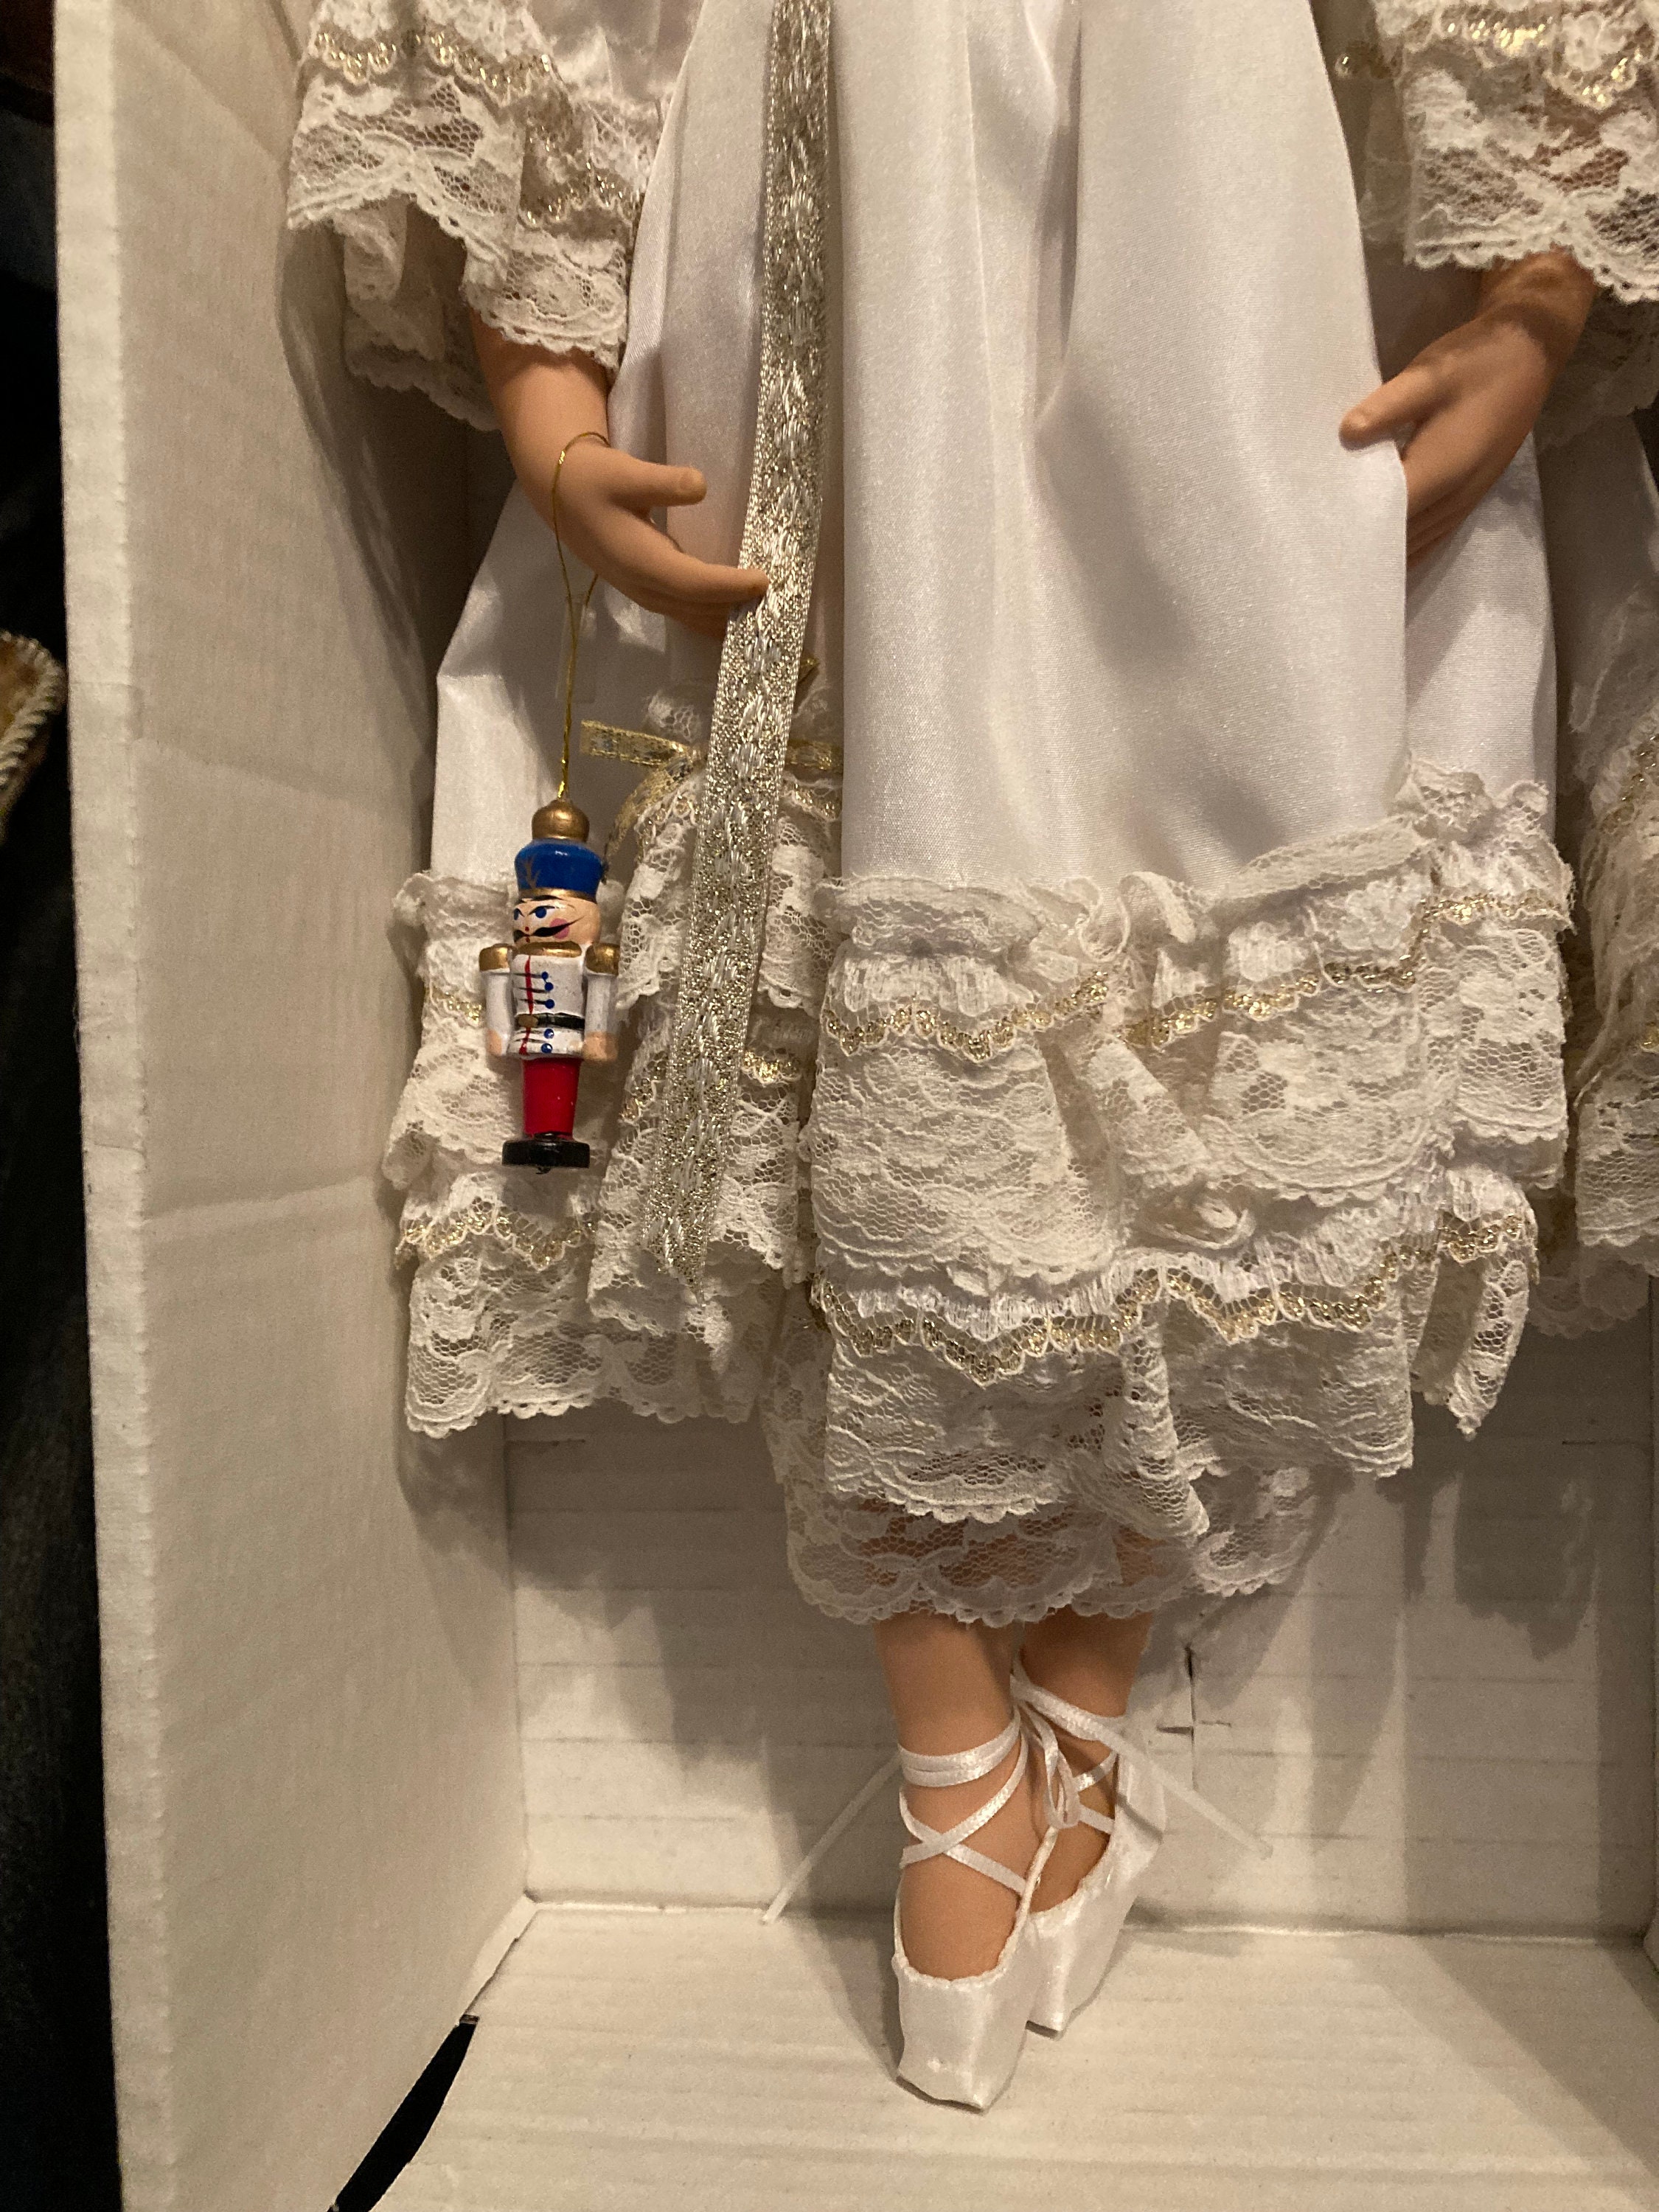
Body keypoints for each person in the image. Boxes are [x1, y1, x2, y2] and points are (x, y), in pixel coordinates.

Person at [288, 0, 1659, 2107]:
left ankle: (1078, 1682)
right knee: (855, 986)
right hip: (842, 217)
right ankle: (960, 1719)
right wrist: (545, 393)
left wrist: (1534, 287)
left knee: (1235, 1018)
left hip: (1225, 232)